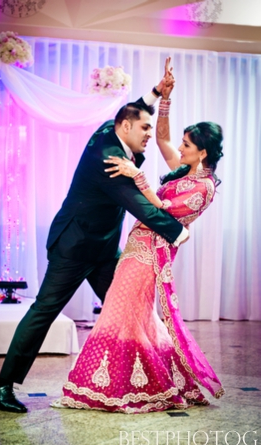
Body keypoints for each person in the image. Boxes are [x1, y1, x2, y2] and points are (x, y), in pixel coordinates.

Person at [0, 69, 189, 413]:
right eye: (144, 129)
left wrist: (156, 91)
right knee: (43, 312)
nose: (148, 135)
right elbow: (141, 208)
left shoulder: (109, 129)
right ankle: (1, 387)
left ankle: (154, 379)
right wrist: (180, 232)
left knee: (132, 308)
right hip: (74, 248)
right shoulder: (109, 159)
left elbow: (135, 108)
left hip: (104, 250)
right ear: (126, 128)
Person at [51, 58, 225, 413]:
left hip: (153, 253)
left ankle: (119, 385)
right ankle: (140, 380)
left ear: (202, 152)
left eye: (187, 145)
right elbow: (161, 137)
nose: (180, 147)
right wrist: (166, 99)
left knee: (120, 313)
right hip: (136, 246)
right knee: (131, 315)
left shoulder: (202, 189)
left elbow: (160, 209)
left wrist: (135, 174)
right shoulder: (184, 169)